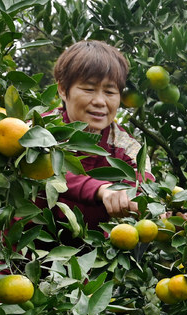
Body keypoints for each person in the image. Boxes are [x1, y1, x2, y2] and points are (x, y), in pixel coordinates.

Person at [51, 40, 153, 226]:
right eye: (89, 89)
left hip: (94, 245)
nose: (100, 101)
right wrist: (101, 190)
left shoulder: (128, 149)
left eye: (110, 92)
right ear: (63, 90)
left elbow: (143, 191)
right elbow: (48, 172)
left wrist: (167, 214)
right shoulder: (39, 131)